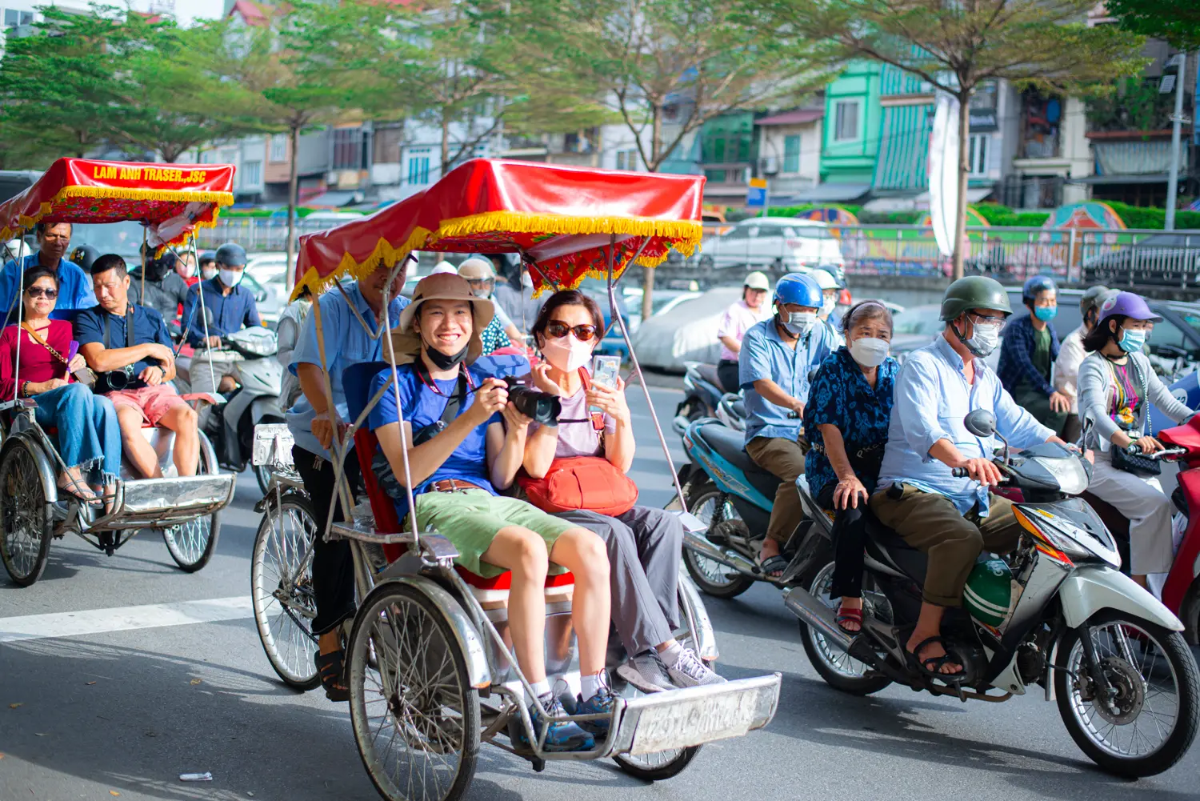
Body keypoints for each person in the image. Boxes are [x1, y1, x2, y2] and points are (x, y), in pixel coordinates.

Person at [370, 273, 613, 751]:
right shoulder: (393, 383)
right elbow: (405, 471)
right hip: (433, 501)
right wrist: (470, 418)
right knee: (527, 549)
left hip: (489, 498)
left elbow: (502, 475)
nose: (450, 323)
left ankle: (591, 689)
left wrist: (517, 427)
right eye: (437, 312)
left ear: (472, 324)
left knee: (590, 547)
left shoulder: (482, 381)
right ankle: (536, 700)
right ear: (418, 323)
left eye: (461, 313)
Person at [523, 289, 724, 691]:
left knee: (663, 524)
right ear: (541, 335)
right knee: (614, 533)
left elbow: (620, 463)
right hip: (550, 500)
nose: (570, 340)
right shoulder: (527, 385)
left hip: (598, 493)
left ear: (596, 339)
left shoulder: (600, 384)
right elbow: (535, 466)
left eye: (583, 331)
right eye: (559, 329)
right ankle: (663, 649)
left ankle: (640, 654)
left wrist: (621, 415)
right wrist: (549, 404)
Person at [870, 276, 1064, 678]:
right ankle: (923, 634)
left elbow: (1018, 423)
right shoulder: (922, 365)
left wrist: (1064, 446)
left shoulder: (984, 376)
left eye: (998, 320)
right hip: (912, 490)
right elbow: (923, 429)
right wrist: (962, 459)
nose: (994, 328)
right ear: (958, 319)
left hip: (969, 495)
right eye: (987, 318)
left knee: (1045, 527)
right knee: (963, 537)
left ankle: (994, 619)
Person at [285, 261, 408, 702]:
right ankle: (329, 640)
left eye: (399, 268)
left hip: (384, 442)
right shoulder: (334, 307)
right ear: (362, 264)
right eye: (380, 266)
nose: (388, 276)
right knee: (336, 531)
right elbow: (310, 368)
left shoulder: (407, 312)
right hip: (329, 439)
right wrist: (325, 412)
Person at [1078, 291, 1195, 589]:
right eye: (1137, 325)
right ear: (1114, 326)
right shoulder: (1093, 366)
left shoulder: (1139, 362)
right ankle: (1138, 589)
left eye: (1145, 326)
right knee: (1155, 504)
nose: (1143, 333)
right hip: (1100, 462)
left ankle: (1159, 592)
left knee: (1168, 508)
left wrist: (1195, 422)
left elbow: (1166, 401)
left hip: (1133, 462)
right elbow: (1095, 413)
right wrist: (1127, 440)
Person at [803, 300, 898, 632]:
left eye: (882, 334)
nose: (874, 339)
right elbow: (830, 431)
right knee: (854, 505)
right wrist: (847, 477)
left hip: (883, 465)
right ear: (848, 335)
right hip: (834, 465)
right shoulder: (834, 369)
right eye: (865, 332)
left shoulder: (894, 371)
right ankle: (850, 598)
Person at [740, 272, 837, 577]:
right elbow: (762, 383)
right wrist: (795, 403)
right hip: (769, 432)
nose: (805, 317)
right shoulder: (758, 337)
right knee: (801, 474)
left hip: (811, 430)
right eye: (798, 309)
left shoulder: (819, 332)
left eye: (811, 311)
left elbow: (839, 364)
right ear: (779, 306)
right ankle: (771, 544)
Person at [0, 268, 121, 511]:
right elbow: (2, 384)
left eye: (50, 292)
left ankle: (109, 484)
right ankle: (71, 472)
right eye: (35, 291)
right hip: (30, 404)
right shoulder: (10, 335)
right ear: (24, 294)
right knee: (76, 393)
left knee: (105, 404)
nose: (43, 296)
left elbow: (87, 382)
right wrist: (41, 386)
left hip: (71, 398)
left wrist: (83, 366)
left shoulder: (65, 328)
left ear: (56, 297)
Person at [76, 254, 200, 479]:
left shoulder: (151, 317)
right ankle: (159, 485)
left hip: (154, 390)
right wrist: (147, 349)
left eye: (109, 286)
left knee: (188, 417)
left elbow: (169, 367)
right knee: (126, 423)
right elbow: (99, 361)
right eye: (97, 287)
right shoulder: (88, 318)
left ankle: (186, 487)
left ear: (125, 283)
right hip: (116, 393)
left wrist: (160, 371)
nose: (103, 294)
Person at [180, 243, 262, 395]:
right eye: (229, 268)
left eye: (238, 269)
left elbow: (255, 328)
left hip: (238, 358)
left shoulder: (246, 295)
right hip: (207, 357)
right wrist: (205, 338)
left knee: (262, 389)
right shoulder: (198, 291)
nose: (233, 273)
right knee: (202, 408)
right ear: (218, 266)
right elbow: (187, 326)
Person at [997, 275, 1068, 435]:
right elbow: (1024, 366)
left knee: (1066, 403)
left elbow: (1060, 358)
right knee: (1058, 410)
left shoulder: (1049, 328)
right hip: (1019, 393)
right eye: (1044, 301)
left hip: (1039, 392)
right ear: (1029, 304)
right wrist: (1051, 392)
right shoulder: (1017, 328)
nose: (1049, 305)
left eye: (1052, 301)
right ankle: (1045, 448)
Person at [0, 222, 95, 325]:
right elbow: (2, 313)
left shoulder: (76, 275)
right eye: (51, 236)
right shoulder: (14, 269)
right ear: (38, 236)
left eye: (63, 237)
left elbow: (87, 316)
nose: (58, 242)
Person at [1055, 285, 1115, 444]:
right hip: (1077, 410)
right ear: (1091, 313)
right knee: (1086, 454)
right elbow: (1081, 379)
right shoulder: (1073, 342)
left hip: (1104, 407)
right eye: (1104, 310)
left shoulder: (1107, 341)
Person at [716, 271, 770, 394]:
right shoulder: (735, 309)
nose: (757, 296)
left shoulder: (765, 314)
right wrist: (747, 352)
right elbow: (726, 336)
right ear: (745, 290)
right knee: (749, 392)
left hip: (758, 366)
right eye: (753, 292)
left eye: (761, 293)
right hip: (734, 366)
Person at [458, 257, 524, 353]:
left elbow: (506, 348)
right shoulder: (455, 318)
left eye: (487, 283)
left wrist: (523, 352)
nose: (482, 288)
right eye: (476, 283)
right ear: (463, 284)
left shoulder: (493, 318)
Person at [129, 246, 190, 334]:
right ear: (145, 259)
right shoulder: (134, 280)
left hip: (173, 333)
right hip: (145, 334)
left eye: (167, 261)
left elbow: (193, 305)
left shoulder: (176, 280)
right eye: (157, 260)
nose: (162, 265)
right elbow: (129, 310)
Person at [276, 286, 313, 410]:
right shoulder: (293, 313)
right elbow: (283, 354)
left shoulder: (329, 309)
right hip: (298, 385)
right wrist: (307, 357)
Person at [492, 257, 544, 330]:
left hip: (530, 338)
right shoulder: (500, 291)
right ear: (517, 270)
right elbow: (501, 320)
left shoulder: (537, 293)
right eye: (526, 269)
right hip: (508, 337)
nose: (528, 273)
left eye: (532, 270)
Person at [811, 268, 846, 348]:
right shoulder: (800, 326)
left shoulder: (834, 328)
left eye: (831, 295)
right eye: (824, 294)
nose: (828, 299)